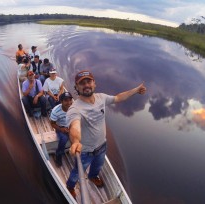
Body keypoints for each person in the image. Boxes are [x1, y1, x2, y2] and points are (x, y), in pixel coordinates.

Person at [65, 70, 146, 198]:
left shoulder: (101, 97)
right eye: (82, 83)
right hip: (85, 151)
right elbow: (75, 126)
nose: (86, 85)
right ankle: (70, 186)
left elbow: (119, 97)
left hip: (102, 146)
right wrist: (75, 141)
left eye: (88, 81)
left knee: (98, 166)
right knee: (76, 172)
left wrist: (135, 90)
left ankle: (92, 177)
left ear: (94, 84)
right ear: (76, 87)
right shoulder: (75, 109)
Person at [49, 92, 73, 166]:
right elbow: (52, 123)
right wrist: (61, 129)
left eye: (70, 100)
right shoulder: (56, 111)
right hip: (61, 127)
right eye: (66, 100)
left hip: (72, 126)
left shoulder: (74, 108)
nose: (69, 103)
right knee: (63, 139)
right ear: (61, 101)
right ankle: (58, 155)